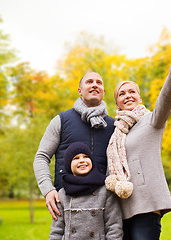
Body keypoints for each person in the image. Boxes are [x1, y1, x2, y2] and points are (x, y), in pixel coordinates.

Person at [105, 27, 171, 240]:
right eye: (121, 93)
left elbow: (168, 96)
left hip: (146, 207)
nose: (127, 95)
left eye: (132, 91)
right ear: (116, 102)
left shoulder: (152, 121)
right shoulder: (116, 131)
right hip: (119, 210)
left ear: (139, 96)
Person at [33, 71, 115, 221]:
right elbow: (41, 157)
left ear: (103, 91)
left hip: (104, 205)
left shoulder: (114, 125)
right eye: (89, 82)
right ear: (80, 90)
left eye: (99, 82)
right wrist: (48, 190)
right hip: (67, 203)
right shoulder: (61, 120)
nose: (95, 85)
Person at [49, 142, 123, 239]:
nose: (82, 161)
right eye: (76, 158)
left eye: (86, 156)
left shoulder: (105, 191)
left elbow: (113, 226)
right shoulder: (63, 194)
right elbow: (56, 231)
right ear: (68, 165)